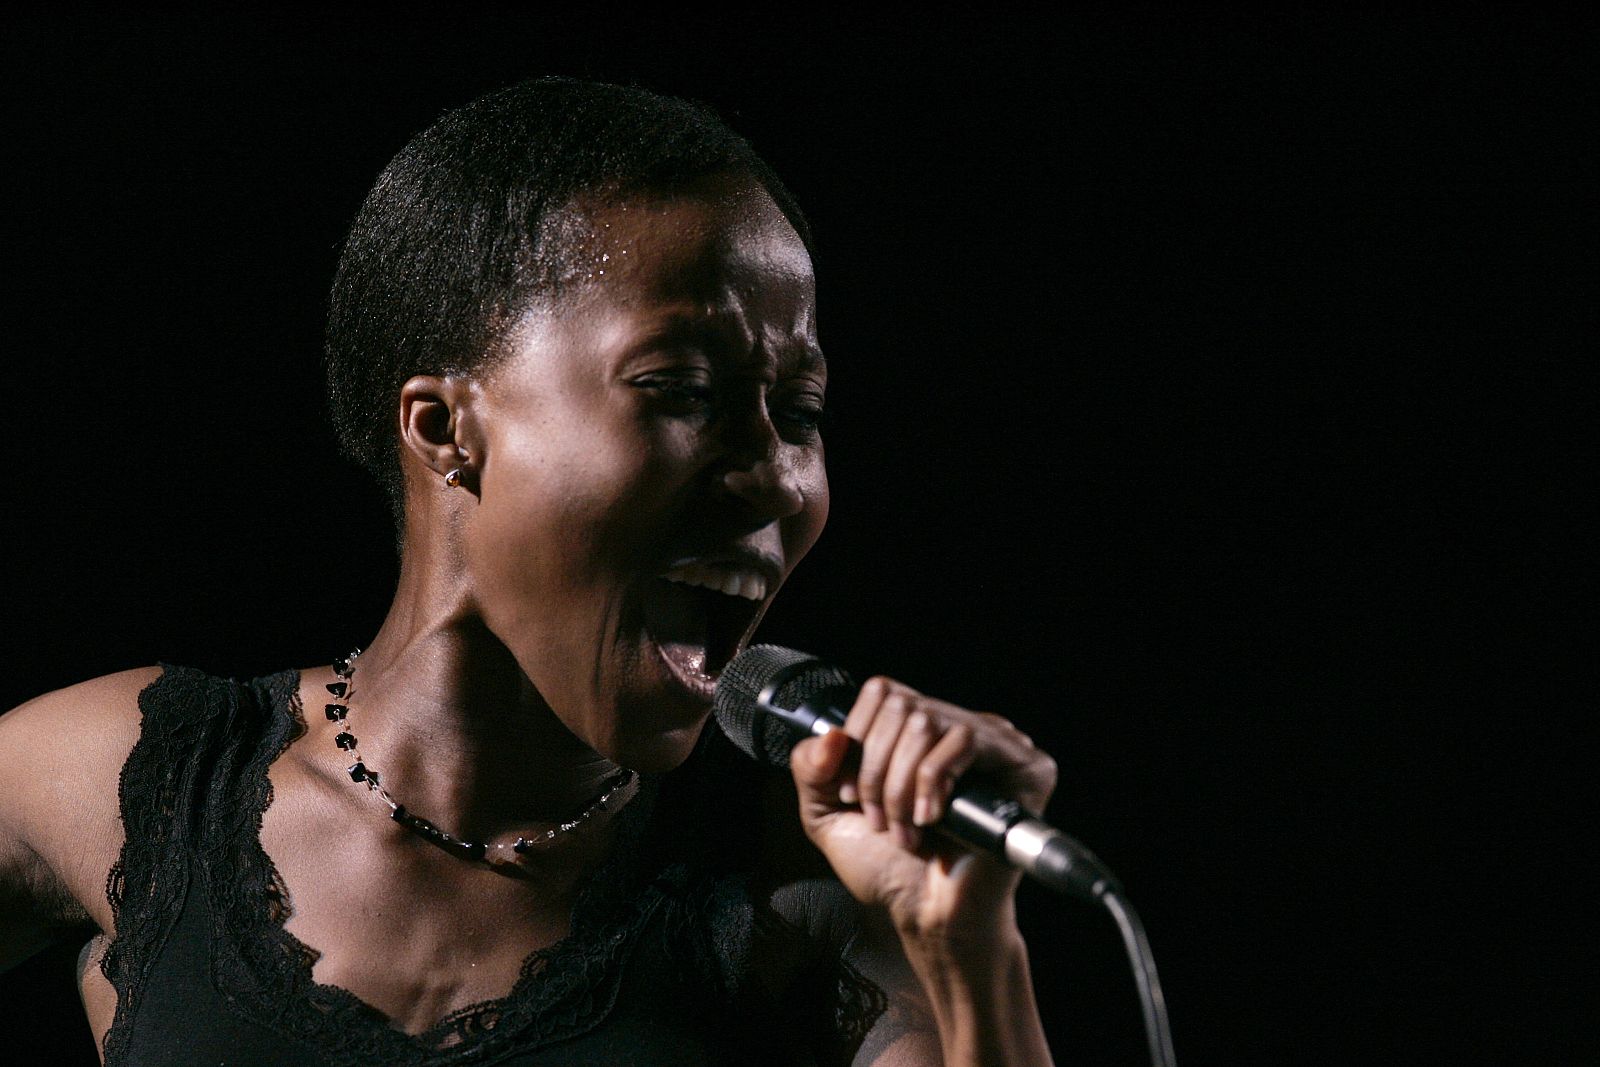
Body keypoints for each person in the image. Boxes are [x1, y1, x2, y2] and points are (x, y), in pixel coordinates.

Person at [0, 77, 1058, 1066]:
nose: (779, 478)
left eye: (800, 411)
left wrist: (972, 950)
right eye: (684, 388)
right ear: (445, 428)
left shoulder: (814, 883)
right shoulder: (137, 781)